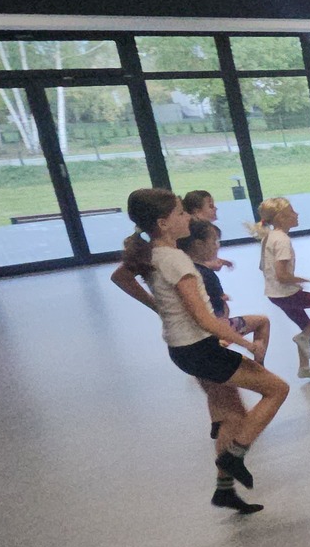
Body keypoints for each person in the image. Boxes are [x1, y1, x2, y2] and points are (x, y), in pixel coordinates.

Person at [116, 188, 289, 498]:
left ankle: (224, 490)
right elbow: (205, 319)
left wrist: (158, 306)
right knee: (277, 389)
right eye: (181, 213)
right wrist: (247, 345)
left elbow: (121, 277)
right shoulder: (176, 261)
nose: (187, 217)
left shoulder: (151, 253)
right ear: (164, 223)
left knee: (232, 416)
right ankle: (234, 456)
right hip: (201, 349)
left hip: (182, 350)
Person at [248, 197, 310, 382]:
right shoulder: (282, 241)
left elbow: (262, 267)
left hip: (274, 294)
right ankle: (304, 337)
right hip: (286, 294)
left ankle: (304, 367)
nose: (296, 214)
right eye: (292, 212)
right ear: (281, 218)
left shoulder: (269, 237)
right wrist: (302, 280)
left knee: (306, 327)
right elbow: (282, 275)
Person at [181, 219, 270, 355]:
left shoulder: (191, 268)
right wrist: (247, 345)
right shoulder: (204, 276)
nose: (217, 246)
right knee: (262, 321)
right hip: (216, 328)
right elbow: (210, 313)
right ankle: (258, 363)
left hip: (209, 327)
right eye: (214, 242)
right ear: (199, 245)